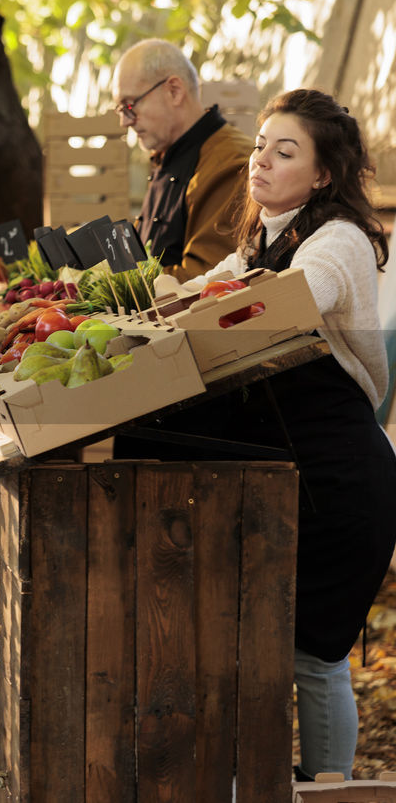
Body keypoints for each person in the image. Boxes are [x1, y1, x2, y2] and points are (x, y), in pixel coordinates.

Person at [132, 89, 396, 779]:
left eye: (285, 152)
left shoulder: (336, 242)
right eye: (260, 147)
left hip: (341, 482)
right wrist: (132, 303)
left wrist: (206, 304)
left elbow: (287, 303)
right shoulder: (262, 241)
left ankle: (331, 787)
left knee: (317, 654)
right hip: (289, 474)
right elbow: (192, 297)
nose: (262, 162)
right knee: (278, 650)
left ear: (323, 175)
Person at [112, 39, 253, 278]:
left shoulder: (230, 162)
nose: (125, 121)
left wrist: (121, 285)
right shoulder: (167, 152)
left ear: (174, 91)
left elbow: (208, 280)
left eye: (129, 105)